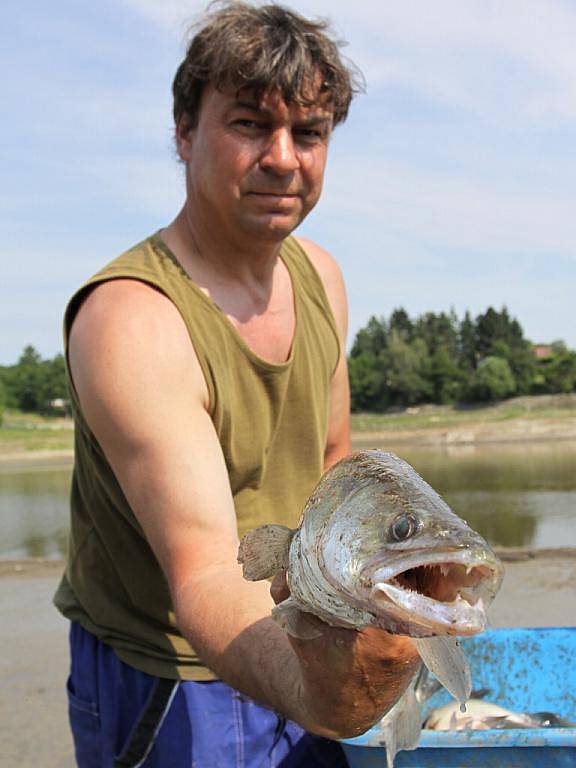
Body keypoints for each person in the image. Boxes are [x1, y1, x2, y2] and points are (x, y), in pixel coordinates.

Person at [54, 3, 419, 766]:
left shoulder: (321, 275)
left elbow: (334, 469)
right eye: (251, 124)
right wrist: (324, 695)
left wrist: (377, 611)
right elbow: (208, 569)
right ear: (184, 134)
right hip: (174, 669)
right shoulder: (133, 320)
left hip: (298, 627)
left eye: (309, 132)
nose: (284, 157)